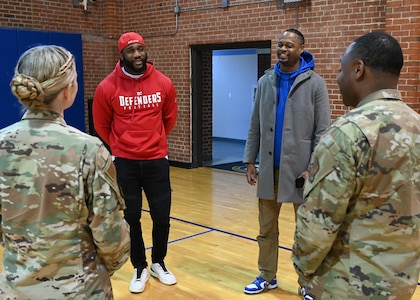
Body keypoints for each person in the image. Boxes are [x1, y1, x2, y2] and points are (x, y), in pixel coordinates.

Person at [291, 32, 420, 299]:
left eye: (341, 69)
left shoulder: (347, 132)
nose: (338, 78)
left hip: (346, 285)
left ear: (358, 69)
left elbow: (317, 227)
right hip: (402, 283)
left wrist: (303, 272)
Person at [0, 45, 130, 299]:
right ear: (69, 89)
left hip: (16, 288)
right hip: (80, 289)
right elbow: (111, 236)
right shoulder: (88, 150)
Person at [243, 28, 331, 294]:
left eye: (289, 45)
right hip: (269, 170)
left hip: (301, 173)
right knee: (266, 229)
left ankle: (307, 283)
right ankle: (267, 276)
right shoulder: (265, 80)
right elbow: (255, 124)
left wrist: (312, 168)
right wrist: (249, 160)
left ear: (301, 49)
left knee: (306, 232)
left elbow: (323, 131)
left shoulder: (315, 83)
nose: (283, 49)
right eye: (280, 44)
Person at [92, 32, 178, 294]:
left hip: (156, 160)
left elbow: (169, 118)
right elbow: (102, 125)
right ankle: (139, 266)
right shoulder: (107, 87)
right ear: (122, 55)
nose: (137, 55)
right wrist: (121, 146)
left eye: (140, 49)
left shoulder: (163, 82)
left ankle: (158, 263)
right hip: (126, 162)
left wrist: (155, 142)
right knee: (132, 217)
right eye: (131, 51)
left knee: (162, 217)